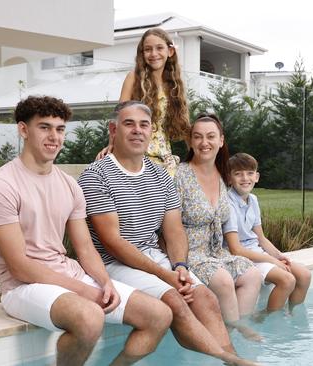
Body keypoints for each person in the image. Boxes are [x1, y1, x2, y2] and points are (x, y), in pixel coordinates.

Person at [0, 96, 172, 366]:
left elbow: (85, 249)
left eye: (59, 129)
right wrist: (84, 291)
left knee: (159, 315)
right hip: (22, 287)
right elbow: (19, 266)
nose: (54, 137)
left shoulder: (69, 185)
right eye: (44, 127)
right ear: (23, 130)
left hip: (67, 274)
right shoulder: (1, 186)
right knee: (89, 317)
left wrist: (104, 283)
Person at [78, 101, 256, 366]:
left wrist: (180, 266)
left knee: (205, 296)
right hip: (112, 263)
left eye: (144, 125)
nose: (137, 130)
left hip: (154, 257)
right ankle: (230, 360)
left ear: (151, 133)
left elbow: (174, 230)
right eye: (129, 124)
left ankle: (232, 359)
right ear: (113, 130)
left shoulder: (160, 176)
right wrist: (166, 275)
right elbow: (112, 242)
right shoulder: (96, 176)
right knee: (174, 299)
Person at [174, 113, 263, 338]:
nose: (205, 143)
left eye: (211, 136)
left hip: (215, 252)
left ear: (221, 141)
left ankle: (234, 331)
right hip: (188, 253)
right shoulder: (180, 175)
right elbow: (169, 225)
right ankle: (233, 336)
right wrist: (178, 263)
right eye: (198, 137)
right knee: (223, 279)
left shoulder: (222, 174)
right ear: (191, 141)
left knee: (252, 275)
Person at [223, 153, 312, 312]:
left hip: (257, 252)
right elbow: (235, 249)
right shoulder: (227, 204)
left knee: (304, 275)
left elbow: (261, 238)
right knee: (287, 280)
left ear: (256, 177)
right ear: (229, 178)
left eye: (250, 173)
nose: (245, 178)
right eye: (238, 174)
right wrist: (272, 260)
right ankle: (268, 319)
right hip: (240, 258)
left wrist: (278, 256)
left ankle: (292, 315)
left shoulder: (253, 200)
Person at [97, 28, 191, 177]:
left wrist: (195, 155)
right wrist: (111, 145)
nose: (154, 54)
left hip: (165, 162)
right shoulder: (133, 78)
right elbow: (119, 116)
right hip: (136, 157)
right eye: (148, 49)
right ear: (142, 53)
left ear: (170, 51)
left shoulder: (174, 85)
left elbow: (185, 127)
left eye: (159, 48)